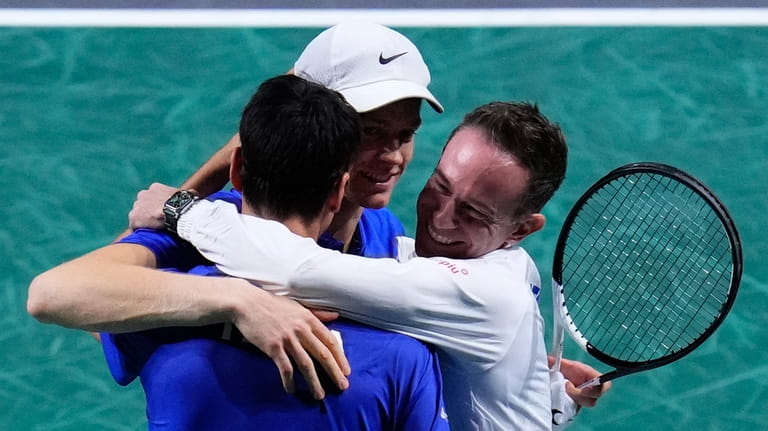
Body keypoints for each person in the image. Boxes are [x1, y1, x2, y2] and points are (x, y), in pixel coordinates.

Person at [29, 21, 605, 428]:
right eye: (369, 132)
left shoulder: (385, 242)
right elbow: (63, 295)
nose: (391, 158)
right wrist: (235, 300)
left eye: (404, 135)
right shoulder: (215, 230)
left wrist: (521, 384)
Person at [136, 100, 589, 430]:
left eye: (473, 213)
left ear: (520, 231)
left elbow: (299, 270)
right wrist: (543, 398)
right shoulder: (499, 267)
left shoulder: (483, 297)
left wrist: (184, 210)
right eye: (440, 185)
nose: (440, 216)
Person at [31, 74, 450, 430]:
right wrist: (242, 300)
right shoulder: (404, 352)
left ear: (237, 171)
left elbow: (58, 296)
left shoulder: (169, 302)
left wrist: (232, 300)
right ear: (340, 191)